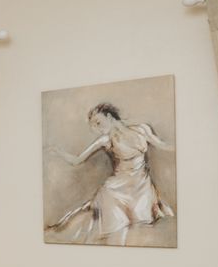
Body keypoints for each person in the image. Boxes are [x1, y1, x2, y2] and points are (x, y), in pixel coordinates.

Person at [46, 102, 173, 246]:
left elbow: (162, 145)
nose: (96, 128)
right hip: (117, 189)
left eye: (98, 123)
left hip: (141, 186)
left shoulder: (141, 129)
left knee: (139, 230)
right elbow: (77, 160)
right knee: (110, 227)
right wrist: (59, 152)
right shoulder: (105, 140)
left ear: (109, 116)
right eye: (93, 126)